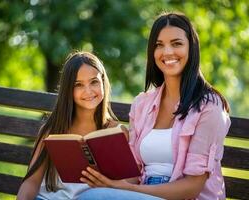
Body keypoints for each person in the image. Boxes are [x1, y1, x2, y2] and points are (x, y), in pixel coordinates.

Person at [79, 12, 231, 200]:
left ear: (192, 48)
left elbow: (192, 187)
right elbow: (134, 174)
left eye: (176, 43)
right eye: (159, 45)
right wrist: (107, 179)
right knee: (90, 194)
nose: (167, 52)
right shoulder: (142, 104)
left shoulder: (209, 107)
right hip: (143, 193)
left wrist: (125, 190)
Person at [17, 51, 123, 200]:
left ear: (103, 82)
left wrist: (109, 184)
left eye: (94, 82)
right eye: (78, 85)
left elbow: (130, 182)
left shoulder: (116, 132)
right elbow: (31, 182)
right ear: (68, 90)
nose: (88, 91)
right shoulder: (52, 130)